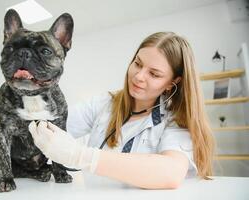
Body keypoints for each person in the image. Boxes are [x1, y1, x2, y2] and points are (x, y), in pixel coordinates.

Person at [28, 32, 215, 189]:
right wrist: (26, 117)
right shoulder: (104, 103)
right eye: (138, 63)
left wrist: (81, 156)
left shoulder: (176, 119)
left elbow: (170, 172)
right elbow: (55, 125)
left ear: (173, 82)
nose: (139, 76)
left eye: (154, 74)